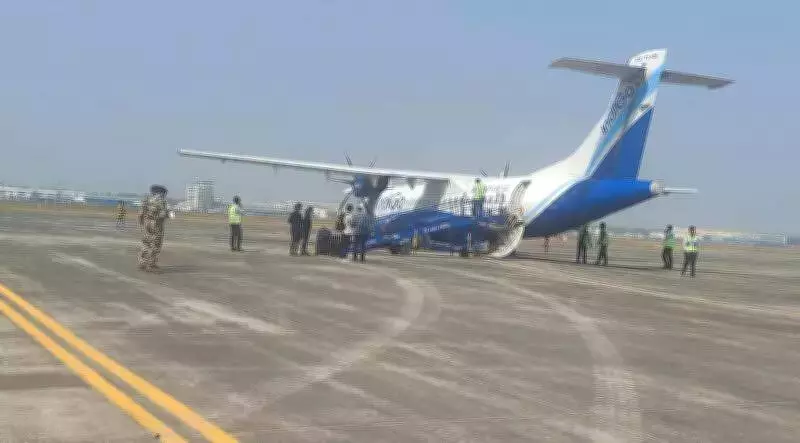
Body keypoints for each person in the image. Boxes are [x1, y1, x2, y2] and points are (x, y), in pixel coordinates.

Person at [137, 185, 169, 271]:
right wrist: (167, 215)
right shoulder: (162, 201)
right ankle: (151, 264)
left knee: (146, 242)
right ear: (160, 193)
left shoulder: (146, 199)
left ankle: (142, 262)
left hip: (147, 223)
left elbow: (140, 213)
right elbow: (163, 215)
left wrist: (142, 222)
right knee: (156, 244)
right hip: (157, 224)